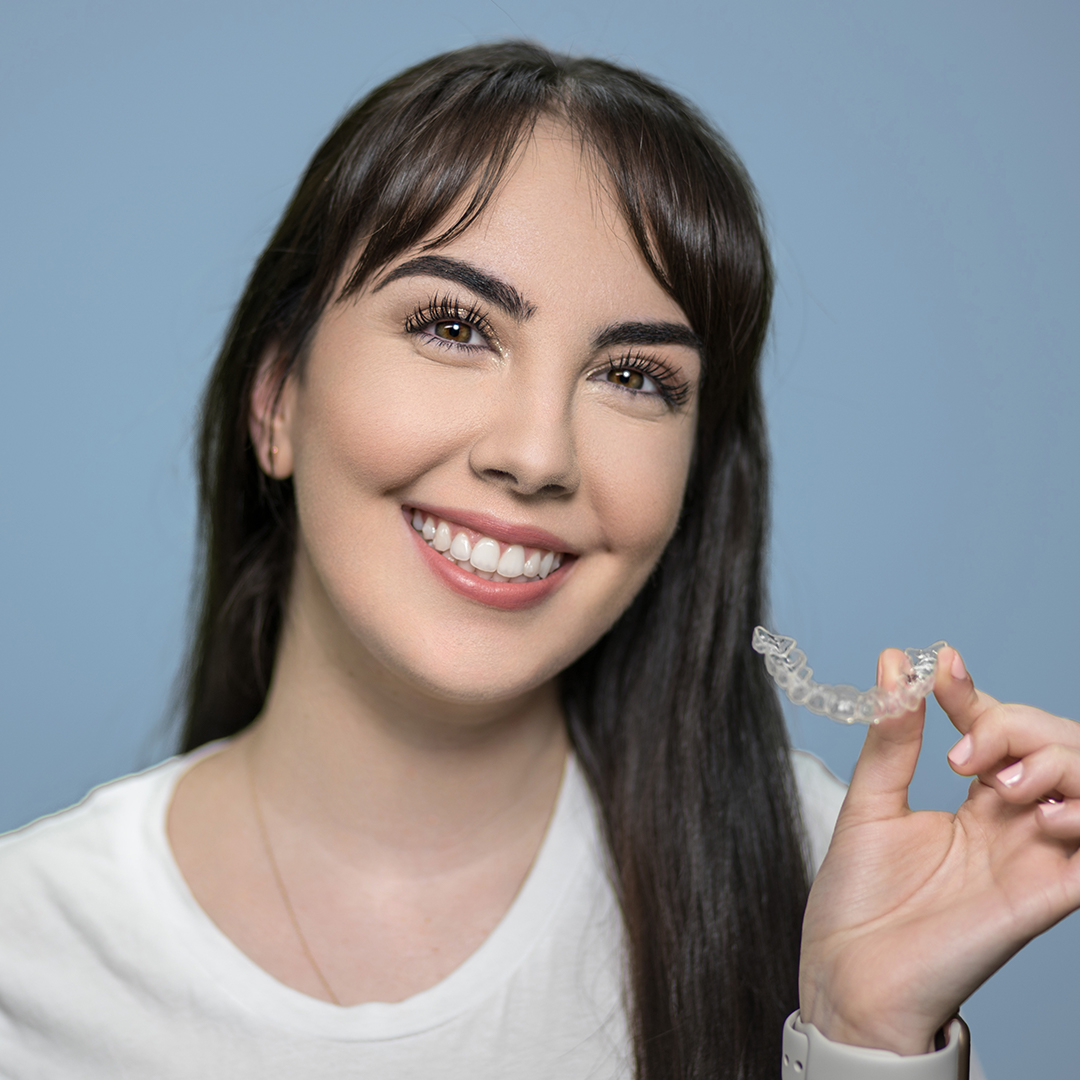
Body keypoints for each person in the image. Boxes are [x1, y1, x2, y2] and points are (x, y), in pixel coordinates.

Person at [0, 40, 1077, 1080]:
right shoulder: (27, 957)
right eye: (454, 326)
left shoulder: (825, 876)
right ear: (276, 399)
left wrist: (868, 1037)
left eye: (636, 379)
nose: (536, 455)